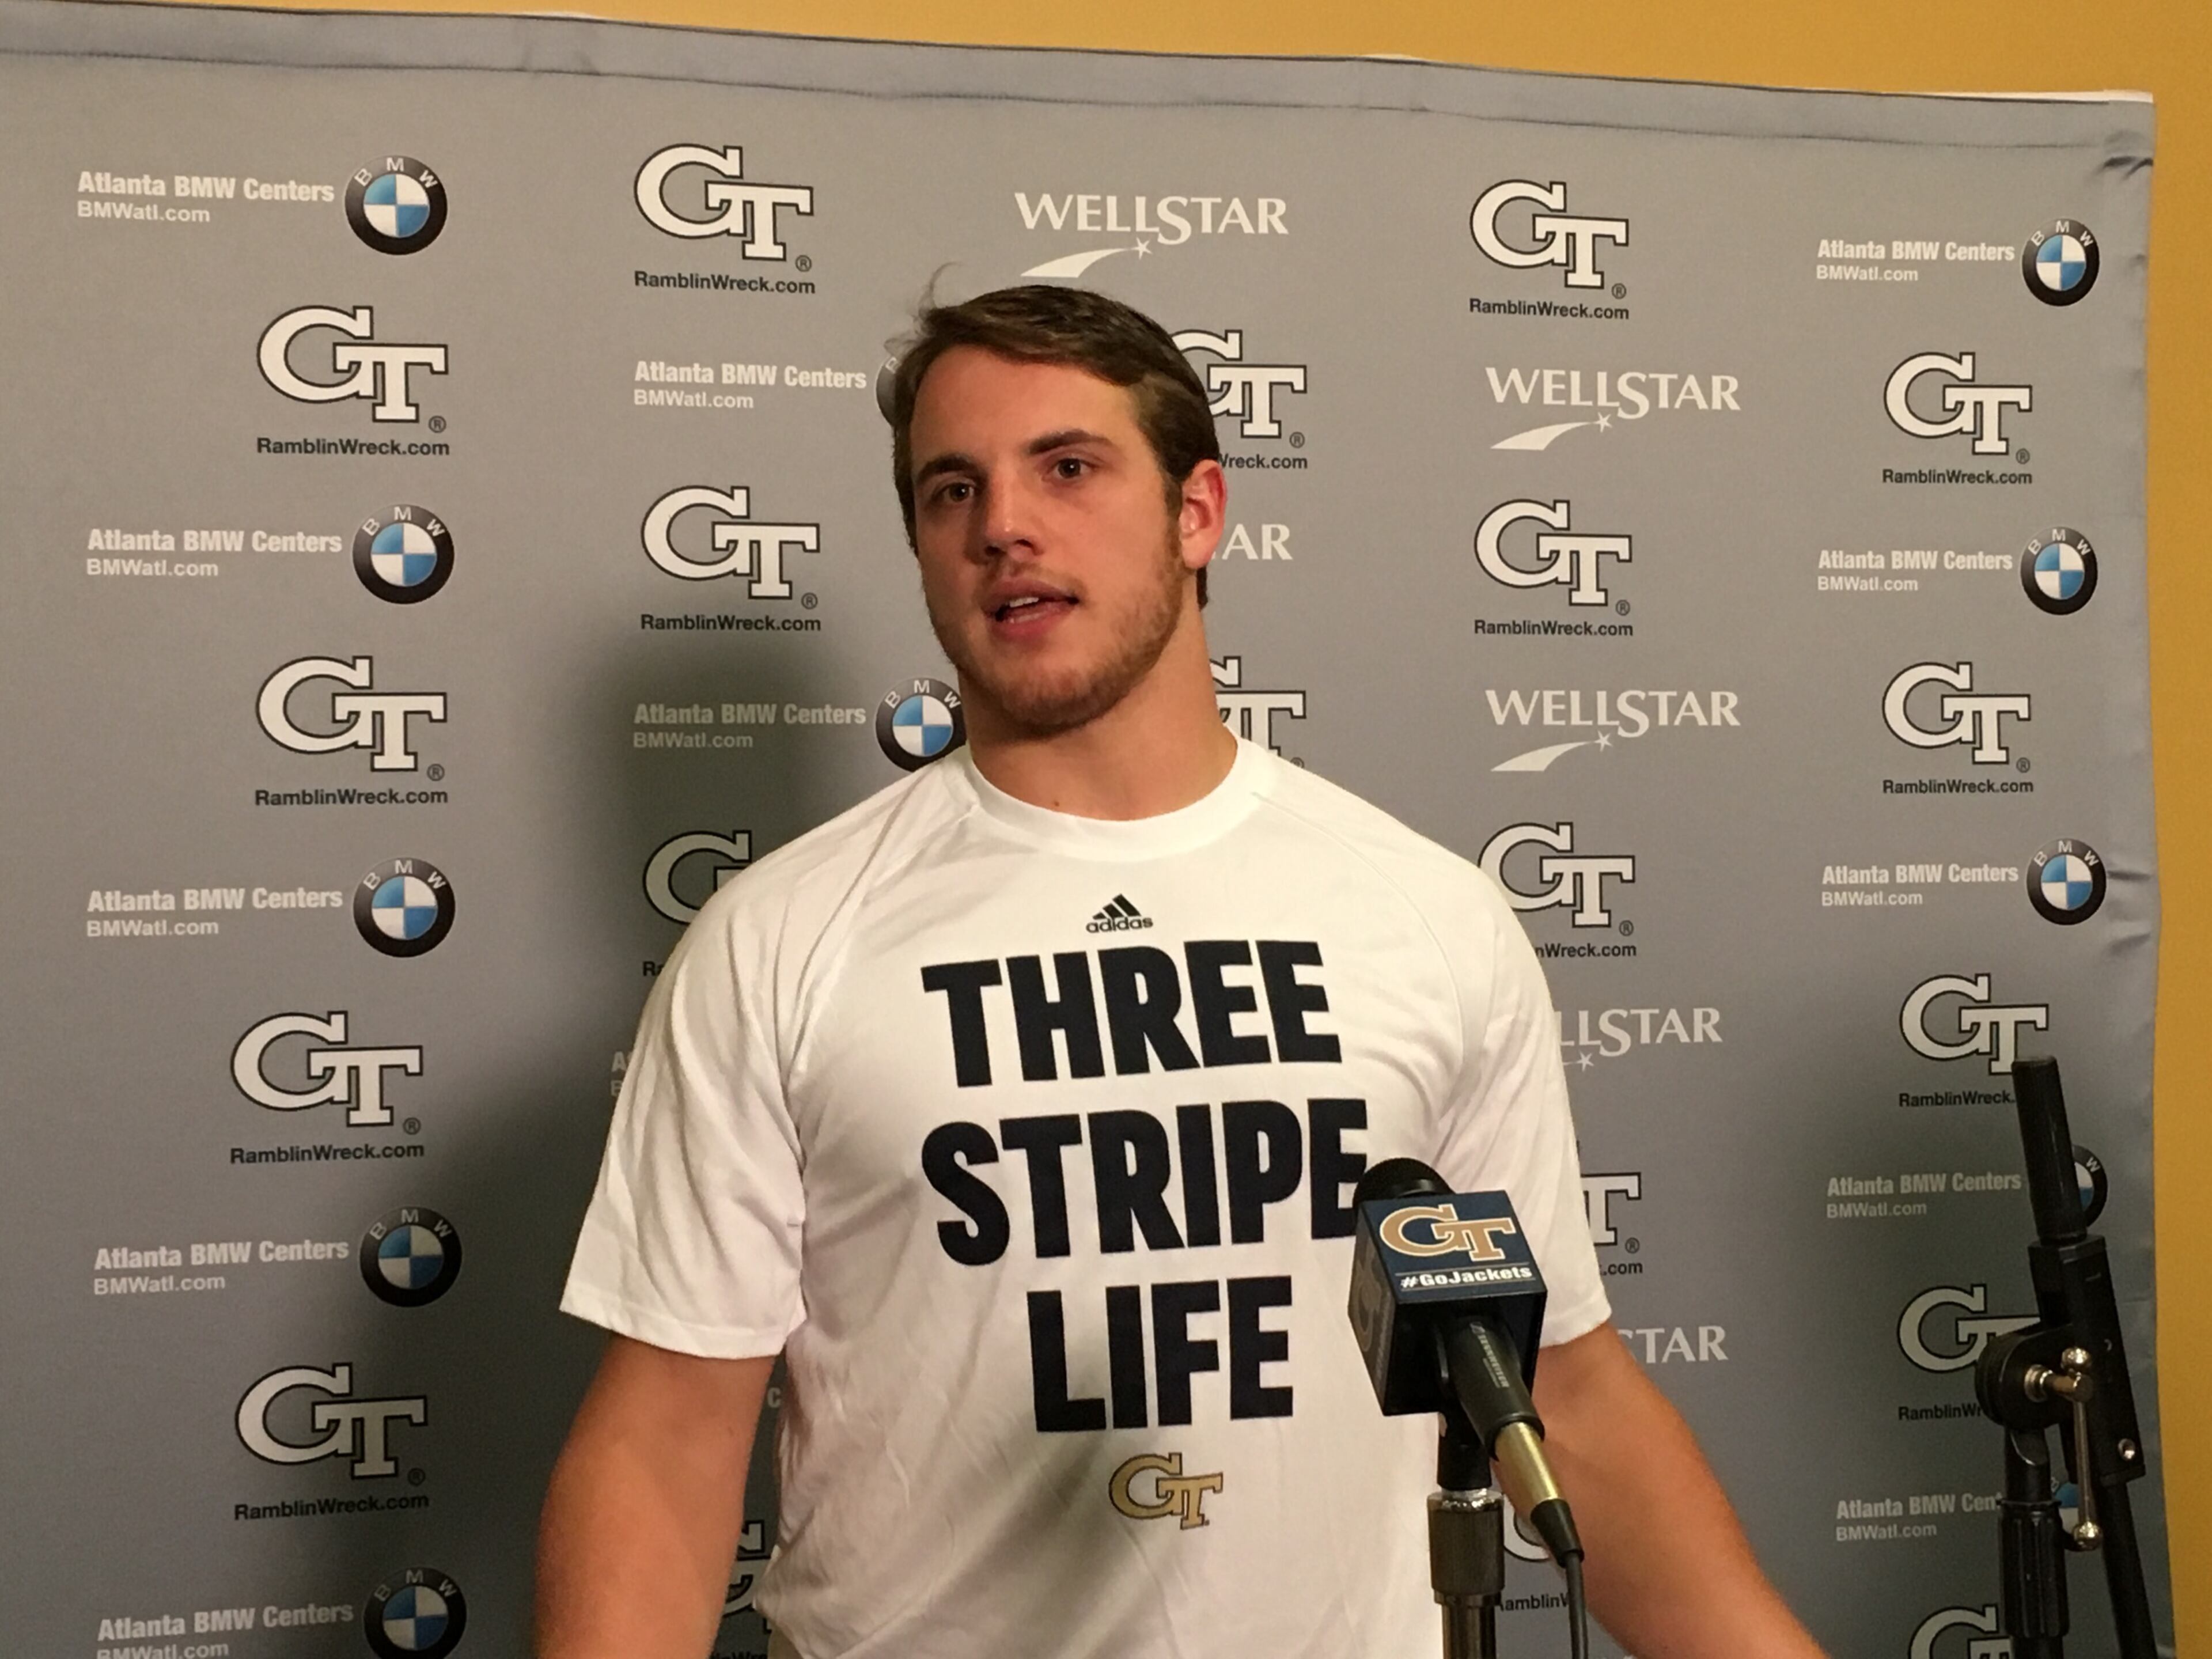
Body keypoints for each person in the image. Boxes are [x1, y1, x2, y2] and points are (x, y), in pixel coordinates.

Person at [537, 284, 1825, 1659]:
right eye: (951, 490)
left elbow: (1559, 1385)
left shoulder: (1424, 915)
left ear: (1198, 512)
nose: (1002, 525)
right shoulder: (781, 940)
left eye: (1068, 468)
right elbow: (666, 1443)